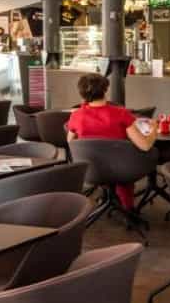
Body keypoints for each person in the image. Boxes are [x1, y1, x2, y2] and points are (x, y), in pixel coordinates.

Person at [65, 73, 157, 209]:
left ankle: (110, 199)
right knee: (144, 154)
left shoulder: (76, 116)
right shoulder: (121, 114)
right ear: (105, 89)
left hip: (91, 170)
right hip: (123, 169)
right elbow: (144, 146)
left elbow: (70, 142)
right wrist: (154, 128)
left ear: (82, 94)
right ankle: (128, 209)